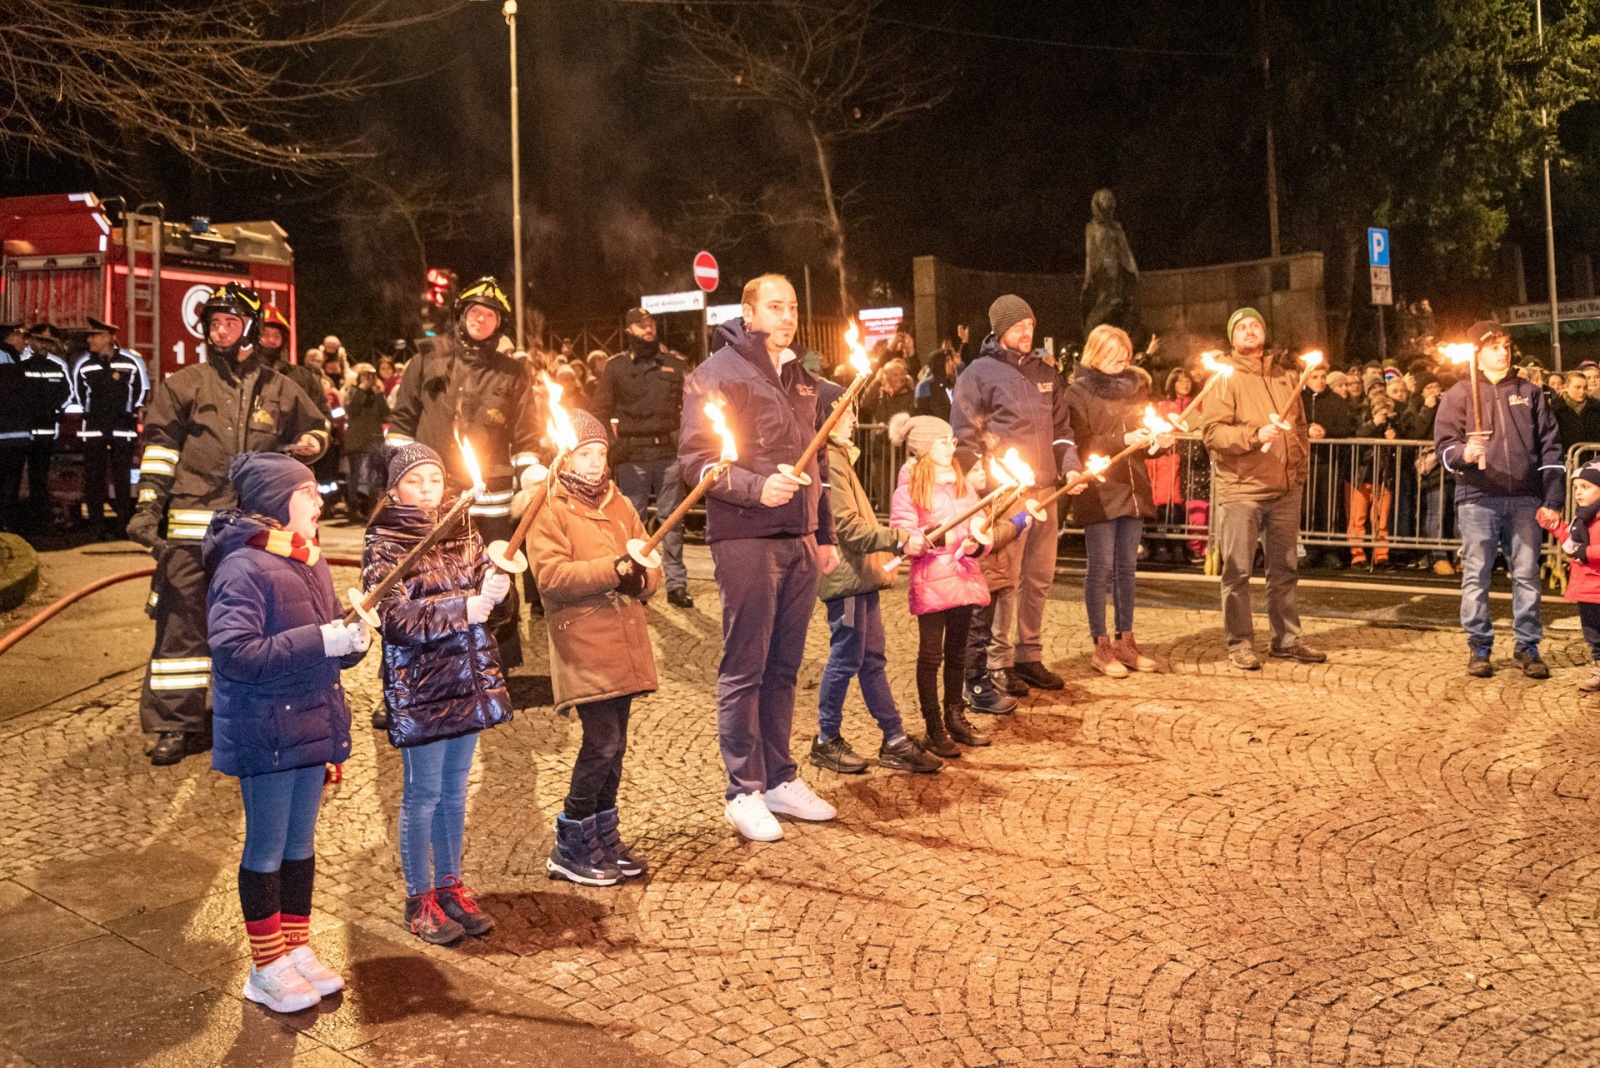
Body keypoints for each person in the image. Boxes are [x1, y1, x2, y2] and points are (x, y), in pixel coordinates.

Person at [128, 283, 328, 766]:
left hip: (256, 531)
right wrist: (147, 507)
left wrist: (309, 445)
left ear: (251, 330)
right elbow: (159, 452)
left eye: (230, 323)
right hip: (191, 529)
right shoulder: (184, 384)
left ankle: (255, 714)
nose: (220, 330)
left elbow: (318, 428)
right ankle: (177, 725)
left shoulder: (279, 388)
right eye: (214, 323)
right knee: (182, 626)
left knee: (259, 622)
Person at [204, 452, 369, 1015]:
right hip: (267, 729)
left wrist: (350, 643)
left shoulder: (309, 560)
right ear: (278, 503)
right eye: (308, 493)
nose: (320, 500)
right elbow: (234, 652)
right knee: (268, 847)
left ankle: (295, 948)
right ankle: (264, 964)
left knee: (300, 846)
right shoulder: (243, 567)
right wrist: (324, 640)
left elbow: (321, 645)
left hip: (310, 722)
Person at [678, 273, 841, 843]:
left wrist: (824, 533)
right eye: (775, 306)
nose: (787, 315)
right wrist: (755, 489)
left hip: (797, 539)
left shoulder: (800, 377)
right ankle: (742, 790)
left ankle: (779, 779)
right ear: (748, 313)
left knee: (784, 667)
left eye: (793, 306)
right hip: (745, 538)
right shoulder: (715, 375)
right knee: (745, 666)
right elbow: (697, 462)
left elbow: (815, 460)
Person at [362, 443, 512, 943]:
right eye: (414, 481)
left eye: (433, 480)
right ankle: (418, 898)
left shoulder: (462, 531)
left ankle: (450, 886)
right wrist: (465, 608)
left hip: (466, 680)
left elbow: (485, 603)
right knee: (422, 794)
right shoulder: (385, 543)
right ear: (394, 489)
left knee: (454, 792)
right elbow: (395, 618)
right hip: (423, 686)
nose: (427, 490)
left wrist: (496, 593)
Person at [528, 410, 660, 883]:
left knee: (616, 745)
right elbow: (552, 576)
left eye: (600, 452)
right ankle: (570, 842)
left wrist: (642, 577)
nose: (594, 462)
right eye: (585, 453)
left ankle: (604, 836)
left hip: (622, 637)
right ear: (566, 456)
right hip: (584, 638)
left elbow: (649, 557)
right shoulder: (548, 506)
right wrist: (616, 568)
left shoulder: (618, 502)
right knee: (601, 742)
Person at [386, 277, 543, 667]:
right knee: (423, 579)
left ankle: (494, 667)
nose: (481, 319)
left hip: (491, 500)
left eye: (490, 315)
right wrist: (403, 480)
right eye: (475, 311)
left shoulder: (512, 373)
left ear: (498, 324)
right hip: (433, 495)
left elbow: (526, 437)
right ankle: (416, 668)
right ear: (461, 315)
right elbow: (402, 424)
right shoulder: (426, 358)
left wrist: (533, 475)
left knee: (495, 580)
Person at [952, 295, 1083, 701]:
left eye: (1030, 324)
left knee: (1038, 578)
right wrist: (977, 484)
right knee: (1005, 582)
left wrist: (1072, 466)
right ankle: (999, 661)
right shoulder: (978, 374)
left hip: (1046, 490)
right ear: (999, 330)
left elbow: (1061, 430)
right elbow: (964, 436)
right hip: (1007, 495)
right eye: (1018, 326)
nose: (1027, 332)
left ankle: (1030, 653)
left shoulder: (1047, 372)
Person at [810, 389, 943, 775]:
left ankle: (894, 739)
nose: (854, 419)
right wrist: (898, 538)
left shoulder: (840, 458)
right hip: (847, 579)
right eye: (847, 413)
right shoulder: (830, 459)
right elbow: (846, 527)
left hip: (861, 576)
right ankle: (825, 738)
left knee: (871, 660)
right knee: (848, 656)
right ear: (828, 418)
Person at [1197, 307, 1326, 670]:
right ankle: (1239, 642)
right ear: (1232, 337)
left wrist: (1297, 469)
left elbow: (1298, 427)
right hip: (1242, 489)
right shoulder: (1223, 379)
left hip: (1285, 488)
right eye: (1242, 327)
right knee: (1237, 571)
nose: (1250, 331)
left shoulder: (1285, 375)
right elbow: (1213, 433)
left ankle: (1287, 639)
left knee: (1284, 569)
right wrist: (1254, 436)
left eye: (1255, 325)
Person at [1435, 320, 1563, 679]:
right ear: (1478, 352)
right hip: (1478, 498)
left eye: (1506, 345)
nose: (1503, 351)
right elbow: (1443, 449)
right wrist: (1463, 451)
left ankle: (1527, 644)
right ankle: (1479, 644)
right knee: (1476, 575)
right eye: (1494, 346)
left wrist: (1552, 498)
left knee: (1526, 575)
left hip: (1524, 498)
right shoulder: (1457, 394)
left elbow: (1550, 447)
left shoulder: (1530, 392)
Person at [1065, 325, 1175, 677]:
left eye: (1125, 352)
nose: (1122, 359)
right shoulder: (1077, 392)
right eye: (1114, 353)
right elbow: (1083, 442)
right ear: (1095, 353)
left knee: (1127, 570)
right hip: (1100, 489)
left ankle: (1126, 640)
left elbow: (1146, 432)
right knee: (1101, 569)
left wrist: (1158, 441)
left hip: (1133, 489)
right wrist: (1123, 437)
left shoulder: (1135, 388)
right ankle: (1101, 645)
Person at [890, 414, 994, 752]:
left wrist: (977, 541)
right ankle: (933, 724)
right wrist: (918, 539)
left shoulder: (960, 481)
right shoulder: (910, 487)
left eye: (952, 440)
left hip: (962, 576)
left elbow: (977, 518)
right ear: (922, 448)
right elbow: (903, 529)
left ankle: (955, 715)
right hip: (933, 579)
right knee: (931, 655)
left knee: (957, 651)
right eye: (943, 441)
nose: (952, 446)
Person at [591, 308, 694, 608]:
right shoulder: (616, 368)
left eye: (650, 324)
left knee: (672, 523)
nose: (648, 329)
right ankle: (634, 581)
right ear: (628, 331)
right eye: (640, 325)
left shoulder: (674, 365)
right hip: (632, 455)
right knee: (630, 523)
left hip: (667, 455)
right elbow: (599, 410)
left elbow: (689, 408)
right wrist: (609, 448)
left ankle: (676, 584)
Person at [71, 317, 149, 537]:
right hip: (94, 429)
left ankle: (123, 524)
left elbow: (139, 391)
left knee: (121, 479)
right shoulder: (85, 365)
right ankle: (97, 525)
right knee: (94, 479)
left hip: (122, 429)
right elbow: (79, 394)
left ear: (108, 337)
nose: (89, 340)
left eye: (94, 335)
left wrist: (128, 412)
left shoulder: (129, 363)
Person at [1539, 461, 1600, 691]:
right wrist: (1555, 526)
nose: (1578, 492)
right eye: (1576, 487)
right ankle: (1598, 668)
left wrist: (1587, 553)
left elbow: (1583, 550)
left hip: (1597, 587)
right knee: (1593, 635)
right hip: (1587, 590)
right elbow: (1572, 544)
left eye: (1586, 486)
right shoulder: (1583, 518)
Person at [19, 323, 74, 531]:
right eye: (40, 340)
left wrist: (55, 409)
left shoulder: (57, 365)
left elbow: (68, 393)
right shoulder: (20, 363)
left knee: (39, 478)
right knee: (15, 477)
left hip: (46, 431)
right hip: (22, 431)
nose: (44, 345)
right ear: (31, 340)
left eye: (48, 342)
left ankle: (39, 519)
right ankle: (20, 518)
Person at [1348, 394, 1397, 568]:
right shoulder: (1364, 421)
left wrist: (1394, 440)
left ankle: (1381, 555)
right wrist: (1373, 423)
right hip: (1362, 477)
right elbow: (1358, 436)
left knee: (1381, 520)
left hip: (1383, 479)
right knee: (1358, 519)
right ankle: (1358, 555)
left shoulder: (1392, 427)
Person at [342, 364, 389, 520]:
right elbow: (351, 411)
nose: (368, 379)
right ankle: (353, 509)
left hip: (374, 438)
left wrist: (379, 394)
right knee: (355, 474)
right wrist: (362, 389)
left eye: (371, 375)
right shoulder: (353, 391)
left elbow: (385, 414)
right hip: (357, 439)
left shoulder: (376, 393)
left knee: (373, 475)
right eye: (364, 375)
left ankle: (372, 509)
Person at [0, 325, 29, 530]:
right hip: (12, 435)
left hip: (11, 434)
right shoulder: (9, 359)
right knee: (9, 484)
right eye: (19, 336)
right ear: (8, 339)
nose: (24, 341)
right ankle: (6, 526)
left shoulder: (11, 357)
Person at [1552, 370, 1600, 452]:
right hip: (1566, 458)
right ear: (1566, 387)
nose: (1582, 392)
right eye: (1577, 387)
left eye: (1585, 388)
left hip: (1594, 459)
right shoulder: (1555, 408)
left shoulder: (1596, 407)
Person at [860, 358, 916, 425]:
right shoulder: (880, 393)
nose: (900, 377)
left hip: (903, 434)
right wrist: (876, 381)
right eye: (895, 375)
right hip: (882, 434)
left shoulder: (911, 393)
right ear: (886, 377)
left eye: (902, 374)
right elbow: (864, 404)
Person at [914, 346, 959, 421]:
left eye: (951, 360)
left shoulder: (951, 382)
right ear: (938, 363)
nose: (952, 364)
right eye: (947, 360)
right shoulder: (925, 386)